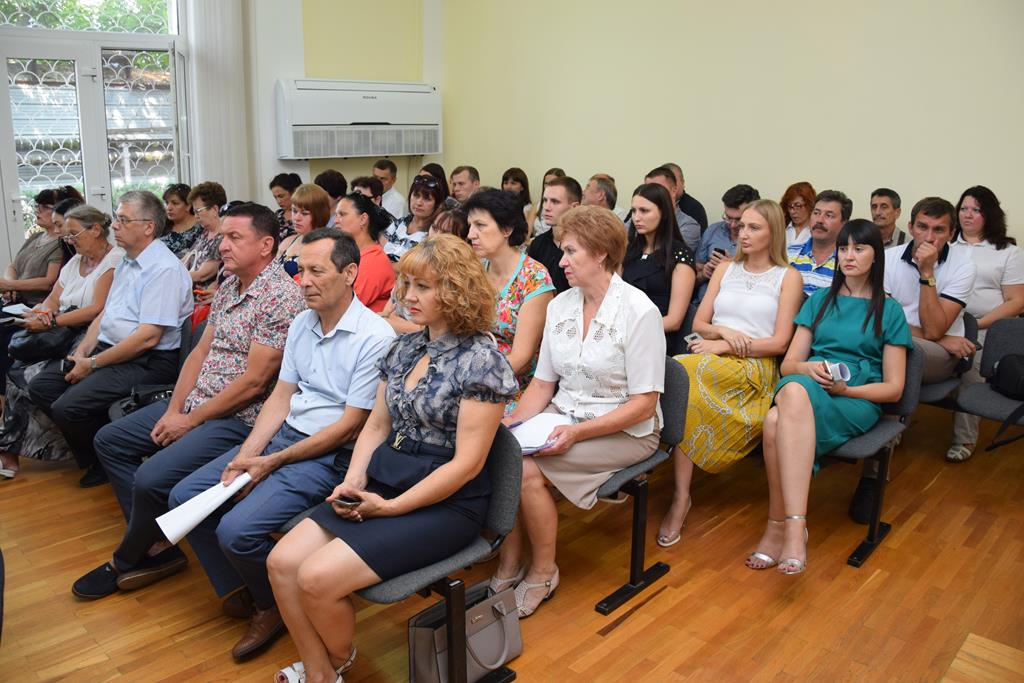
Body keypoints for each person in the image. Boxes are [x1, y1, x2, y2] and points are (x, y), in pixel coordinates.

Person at [267, 235, 516, 683]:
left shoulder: (483, 362)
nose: (407, 296)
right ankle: (322, 671)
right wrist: (354, 480)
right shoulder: (403, 348)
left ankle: (333, 664)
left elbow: (467, 465)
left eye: (423, 287)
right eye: (406, 284)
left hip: (447, 502)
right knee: (281, 562)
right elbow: (377, 427)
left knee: (316, 579)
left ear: (456, 292)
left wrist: (392, 507)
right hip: (387, 479)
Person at [168, 229, 396, 662]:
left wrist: (270, 461)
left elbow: (350, 426)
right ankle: (258, 592)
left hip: (327, 453)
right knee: (185, 497)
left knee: (236, 532)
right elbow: (281, 397)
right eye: (300, 270)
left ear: (350, 273)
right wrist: (247, 456)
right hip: (285, 437)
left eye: (316, 271)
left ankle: (269, 602)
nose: (303, 282)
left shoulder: (375, 336)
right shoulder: (302, 323)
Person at [68, 202, 304, 603]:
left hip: (237, 417)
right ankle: (154, 541)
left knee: (152, 478)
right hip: (197, 404)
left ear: (266, 245)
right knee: (111, 440)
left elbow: (254, 383)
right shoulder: (230, 284)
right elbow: (200, 353)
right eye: (223, 237)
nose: (222, 246)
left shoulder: (281, 298)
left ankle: (129, 558)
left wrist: (190, 420)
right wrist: (176, 409)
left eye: (234, 238)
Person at [494, 206, 665, 617]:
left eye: (570, 252)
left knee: (526, 471)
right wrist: (511, 422)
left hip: (627, 430)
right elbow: (542, 384)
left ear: (601, 253)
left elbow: (644, 404)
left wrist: (577, 433)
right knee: (501, 450)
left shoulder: (638, 311)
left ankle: (543, 571)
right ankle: (510, 560)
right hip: (565, 414)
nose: (562, 262)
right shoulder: (561, 306)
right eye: (562, 251)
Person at [746, 219, 912, 574]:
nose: (848, 256)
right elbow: (789, 366)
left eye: (859, 248)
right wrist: (809, 368)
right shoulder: (820, 301)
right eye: (843, 248)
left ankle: (781, 527)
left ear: (876, 255)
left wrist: (846, 389)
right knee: (788, 398)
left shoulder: (889, 310)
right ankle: (792, 527)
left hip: (856, 399)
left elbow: (894, 388)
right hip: (809, 387)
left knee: (776, 419)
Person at [656, 199, 803, 547]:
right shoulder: (726, 269)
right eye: (741, 225)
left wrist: (725, 346)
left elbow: (780, 343)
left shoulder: (788, 277)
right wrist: (722, 332)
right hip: (711, 355)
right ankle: (679, 493)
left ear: (773, 233)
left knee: (684, 372)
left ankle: (679, 496)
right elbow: (699, 323)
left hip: (755, 367)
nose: (742, 232)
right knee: (681, 373)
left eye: (754, 227)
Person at [26, 190, 193, 487]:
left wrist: (92, 364)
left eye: (123, 220)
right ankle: (100, 452)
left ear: (148, 227)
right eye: (117, 218)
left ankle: (107, 457)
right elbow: (106, 313)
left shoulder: (163, 269)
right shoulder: (128, 260)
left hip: (148, 361)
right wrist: (83, 351)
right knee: (42, 386)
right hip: (111, 349)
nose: (114, 225)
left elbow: (147, 337)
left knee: (68, 408)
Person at [0, 205, 123, 479]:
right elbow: (53, 299)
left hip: (89, 335)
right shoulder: (75, 262)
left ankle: (27, 448)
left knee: (31, 376)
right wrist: (43, 312)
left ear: (95, 230)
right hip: (61, 331)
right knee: (15, 370)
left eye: (73, 234)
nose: (69, 241)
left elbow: (96, 309)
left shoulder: (114, 261)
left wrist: (53, 321)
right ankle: (13, 449)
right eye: (66, 235)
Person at [946, 187, 1024, 462]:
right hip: (944, 326)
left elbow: (1016, 302)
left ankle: (964, 438)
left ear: (989, 214)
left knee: (971, 369)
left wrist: (977, 325)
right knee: (910, 358)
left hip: (985, 329)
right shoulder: (945, 246)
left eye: (976, 210)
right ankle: (895, 430)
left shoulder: (1008, 252)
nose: (967, 215)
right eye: (963, 209)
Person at [464, 188, 554, 411]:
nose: (471, 234)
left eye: (480, 225)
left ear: (507, 229)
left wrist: (470, 381)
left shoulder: (534, 278)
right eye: (470, 225)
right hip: (469, 369)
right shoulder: (476, 269)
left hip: (510, 385)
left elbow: (522, 359)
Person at [622, 183, 696, 354]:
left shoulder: (680, 255)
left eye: (644, 211)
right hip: (623, 331)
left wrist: (630, 332)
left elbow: (674, 320)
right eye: (633, 211)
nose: (636, 218)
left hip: (656, 336)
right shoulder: (629, 250)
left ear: (663, 213)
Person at [694, 184, 760, 301]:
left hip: (739, 304)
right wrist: (704, 273)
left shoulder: (760, 239)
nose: (732, 225)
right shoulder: (712, 231)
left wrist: (732, 267)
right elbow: (694, 275)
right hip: (702, 302)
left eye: (739, 219)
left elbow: (764, 284)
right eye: (728, 218)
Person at [334, 192, 395, 312]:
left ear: (363, 219)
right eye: (336, 215)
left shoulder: (374, 262)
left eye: (342, 214)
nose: (336, 220)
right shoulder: (351, 253)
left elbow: (344, 309)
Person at [788, 190, 850, 295]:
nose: (820, 220)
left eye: (829, 215)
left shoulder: (849, 262)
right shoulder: (788, 253)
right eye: (816, 213)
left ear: (844, 223)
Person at [526, 176, 582, 293]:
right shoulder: (538, 244)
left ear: (574, 207)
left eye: (555, 202)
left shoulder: (586, 245)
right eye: (545, 200)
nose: (546, 207)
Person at [627, 167, 700, 251]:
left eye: (657, 188)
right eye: (647, 188)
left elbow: (674, 252)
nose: (649, 194)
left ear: (674, 191)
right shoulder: (636, 217)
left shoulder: (688, 225)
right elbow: (619, 243)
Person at [383, 175, 443, 262]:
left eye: (426, 199)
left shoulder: (434, 233)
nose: (419, 203)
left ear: (436, 204)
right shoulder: (399, 223)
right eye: (416, 195)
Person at [277, 184, 332, 280]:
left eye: (304, 213)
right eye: (294, 211)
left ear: (319, 215)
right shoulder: (287, 242)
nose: (296, 218)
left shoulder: (328, 246)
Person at [183, 182, 227, 291]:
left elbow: (200, 275)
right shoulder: (204, 233)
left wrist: (170, 277)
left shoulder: (223, 239)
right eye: (194, 212)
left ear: (215, 209)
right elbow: (186, 260)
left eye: (198, 211)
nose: (195, 216)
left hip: (204, 297)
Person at [662, 162, 709, 232]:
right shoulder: (654, 205)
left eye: (673, 181)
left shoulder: (694, 208)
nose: (669, 186)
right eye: (665, 183)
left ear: (683, 183)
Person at [161, 183, 202, 257]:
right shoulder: (161, 226)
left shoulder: (202, 227)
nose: (169, 208)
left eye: (175, 203)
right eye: (167, 203)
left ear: (188, 205)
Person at [531, 167, 566, 236]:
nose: (548, 187)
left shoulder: (565, 207)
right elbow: (527, 231)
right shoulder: (537, 205)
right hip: (537, 240)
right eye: (546, 183)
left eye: (553, 183)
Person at [781, 181, 817, 246]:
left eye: (798, 206)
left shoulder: (817, 231)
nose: (792, 211)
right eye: (790, 206)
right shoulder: (782, 229)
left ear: (810, 205)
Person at [269, 173, 303, 240]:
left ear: (293, 192)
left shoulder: (305, 214)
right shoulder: (277, 215)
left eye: (281, 196)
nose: (278, 201)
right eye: (275, 197)